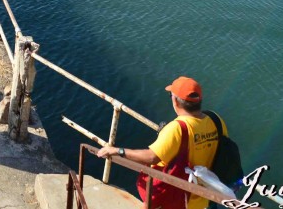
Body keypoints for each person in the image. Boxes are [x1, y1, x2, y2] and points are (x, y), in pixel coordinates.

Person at [97, 76, 228, 209]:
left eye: (171, 95)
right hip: (207, 195)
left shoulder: (177, 129)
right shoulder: (216, 120)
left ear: (175, 101)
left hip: (181, 199)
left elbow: (151, 157)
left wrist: (117, 151)